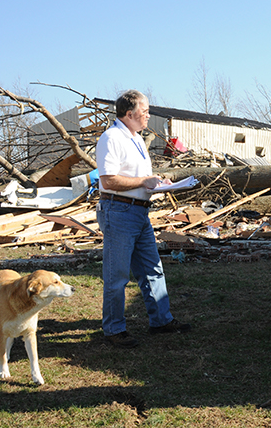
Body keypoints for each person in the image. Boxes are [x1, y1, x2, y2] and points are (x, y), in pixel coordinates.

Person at [96, 90, 191, 348]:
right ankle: (114, 329)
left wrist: (158, 182)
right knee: (117, 275)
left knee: (152, 268)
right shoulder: (111, 138)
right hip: (119, 211)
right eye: (145, 111)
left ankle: (161, 320)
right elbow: (108, 180)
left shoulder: (135, 138)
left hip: (138, 211)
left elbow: (136, 178)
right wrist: (144, 182)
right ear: (129, 114)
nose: (148, 115)